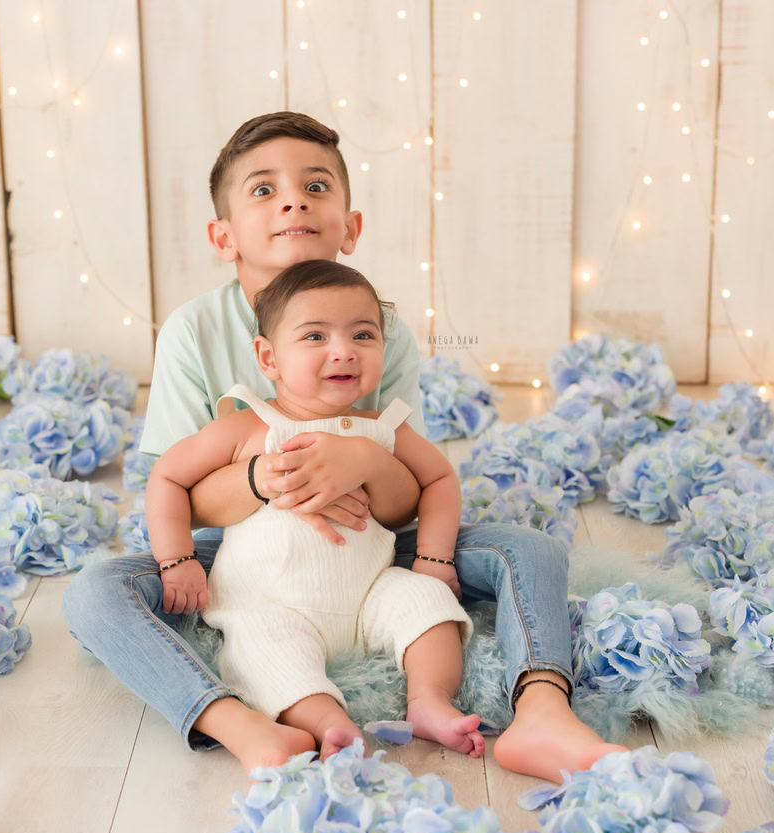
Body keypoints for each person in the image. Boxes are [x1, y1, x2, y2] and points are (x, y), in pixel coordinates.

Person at [62, 110, 626, 778]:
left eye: (317, 186)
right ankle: (233, 717)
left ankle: (541, 709)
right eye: (264, 190)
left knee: (528, 549)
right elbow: (178, 492)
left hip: (368, 541)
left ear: (350, 227)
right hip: (237, 548)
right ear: (224, 235)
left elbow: (407, 499)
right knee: (95, 591)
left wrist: (362, 457)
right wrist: (264, 482)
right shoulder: (194, 330)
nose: (294, 199)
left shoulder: (379, 328)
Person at [146, 259, 483, 760]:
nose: (344, 351)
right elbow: (168, 477)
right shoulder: (247, 425)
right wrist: (177, 559)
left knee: (429, 607)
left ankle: (428, 700)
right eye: (315, 337)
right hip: (270, 602)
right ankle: (329, 723)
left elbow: (438, 479)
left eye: (363, 335)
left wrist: (434, 559)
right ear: (268, 357)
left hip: (371, 591)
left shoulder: (384, 427)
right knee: (263, 650)